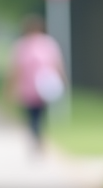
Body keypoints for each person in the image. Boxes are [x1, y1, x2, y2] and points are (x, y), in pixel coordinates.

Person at [6, 14, 66, 152]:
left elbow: (15, 69)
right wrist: (62, 80)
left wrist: (10, 87)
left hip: (29, 86)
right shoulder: (48, 43)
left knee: (31, 114)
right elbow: (57, 64)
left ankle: (35, 135)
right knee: (39, 114)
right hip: (44, 85)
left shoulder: (21, 45)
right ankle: (38, 136)